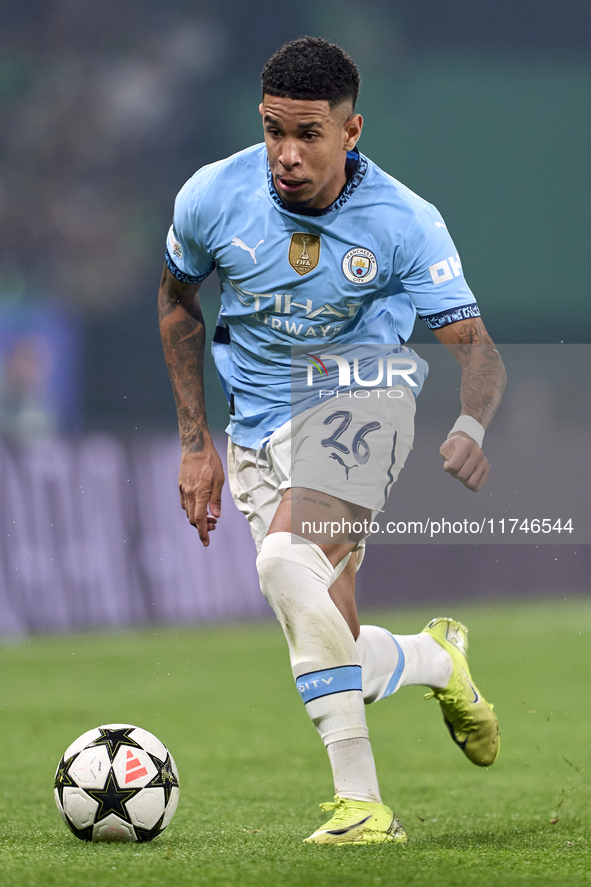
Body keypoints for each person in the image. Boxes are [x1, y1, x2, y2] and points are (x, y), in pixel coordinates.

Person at [158, 37, 506, 845]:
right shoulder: (211, 196)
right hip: (253, 424)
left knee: (284, 563)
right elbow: (178, 304)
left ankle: (364, 809)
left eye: (308, 134)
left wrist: (468, 421)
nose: (287, 154)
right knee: (329, 633)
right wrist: (193, 440)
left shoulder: (403, 222)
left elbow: (476, 347)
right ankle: (431, 659)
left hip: (364, 397)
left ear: (351, 133)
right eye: (275, 130)